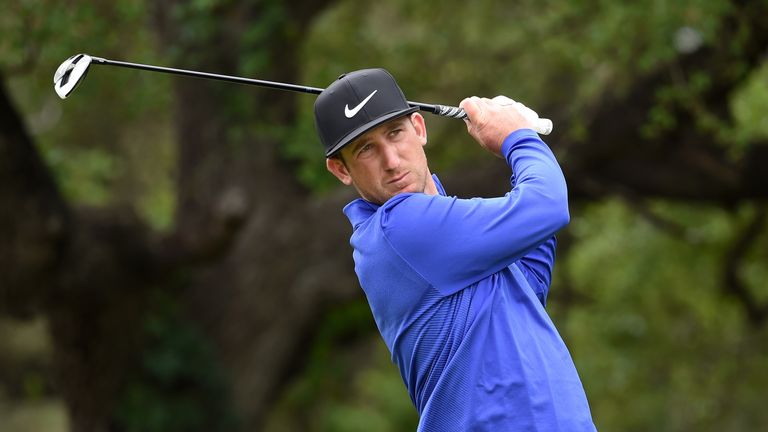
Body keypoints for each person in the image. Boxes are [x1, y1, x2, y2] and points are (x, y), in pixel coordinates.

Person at [314, 68, 596, 431]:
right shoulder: (399, 227)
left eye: (395, 133)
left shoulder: (450, 239)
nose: (392, 160)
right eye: (366, 149)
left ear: (419, 128)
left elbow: (532, 278)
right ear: (341, 170)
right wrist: (517, 139)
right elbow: (547, 206)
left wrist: (516, 139)